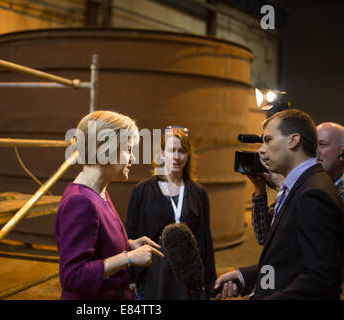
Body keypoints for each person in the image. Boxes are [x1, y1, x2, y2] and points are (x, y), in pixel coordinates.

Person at [214, 109, 343, 300]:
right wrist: (246, 276)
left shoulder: (313, 194)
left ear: (293, 141)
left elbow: (320, 280)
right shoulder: (302, 185)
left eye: (268, 140)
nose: (261, 150)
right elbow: (288, 262)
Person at [54, 110, 164, 300]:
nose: (133, 158)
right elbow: (72, 276)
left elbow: (96, 245)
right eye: (128, 149)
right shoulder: (80, 202)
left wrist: (129, 245)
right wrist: (128, 259)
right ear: (106, 148)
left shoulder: (99, 191)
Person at [125, 126, 216, 299]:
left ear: (188, 156)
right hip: (153, 269)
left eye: (181, 151)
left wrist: (209, 281)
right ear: (161, 154)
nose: (176, 156)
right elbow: (130, 232)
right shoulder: (142, 190)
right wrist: (131, 277)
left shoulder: (198, 193)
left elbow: (205, 238)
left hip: (187, 269)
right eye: (171, 150)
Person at [248, 121, 343, 245]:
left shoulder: (327, 194)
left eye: (323, 145)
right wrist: (260, 189)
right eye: (314, 145)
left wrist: (284, 185)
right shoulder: (301, 183)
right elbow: (264, 237)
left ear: (342, 152)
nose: (315, 152)